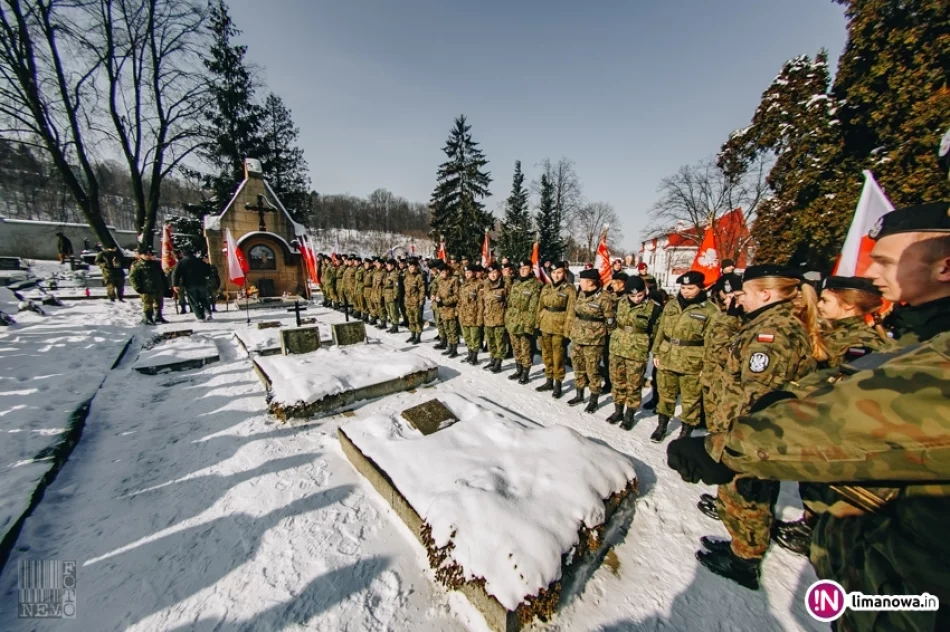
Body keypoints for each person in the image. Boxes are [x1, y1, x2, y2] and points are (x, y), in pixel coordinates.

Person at [667, 201, 950, 631]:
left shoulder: (777, 330)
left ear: (944, 267)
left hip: (910, 589)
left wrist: (724, 446)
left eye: (887, 262)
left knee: (750, 495)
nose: (872, 275)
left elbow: (854, 417)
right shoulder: (915, 335)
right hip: (876, 570)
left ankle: (745, 556)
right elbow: (834, 387)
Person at [773, 275, 888, 557]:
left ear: (848, 306)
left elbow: (844, 392)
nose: (819, 305)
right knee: (812, 483)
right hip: (816, 423)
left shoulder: (861, 343)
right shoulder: (834, 333)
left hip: (836, 430)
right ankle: (811, 521)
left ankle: (821, 532)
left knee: (827, 487)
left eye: (825, 300)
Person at [649, 270, 718, 442]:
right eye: (683, 287)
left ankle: (685, 433)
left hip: (692, 361)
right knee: (665, 394)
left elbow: (712, 342)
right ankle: (662, 426)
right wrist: (656, 351)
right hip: (667, 355)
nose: (686, 291)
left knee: (691, 400)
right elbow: (661, 329)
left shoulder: (710, 311)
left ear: (701, 288)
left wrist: (707, 365)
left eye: (690, 288)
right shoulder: (672, 305)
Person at [607, 276, 661, 428]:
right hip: (617, 347)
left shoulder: (654, 308)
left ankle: (629, 414)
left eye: (640, 295)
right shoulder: (620, 302)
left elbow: (656, 332)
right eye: (633, 296)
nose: (637, 299)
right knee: (617, 381)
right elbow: (612, 320)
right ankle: (618, 411)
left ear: (645, 291)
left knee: (634, 384)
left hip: (637, 351)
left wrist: (653, 349)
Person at [565, 268, 616, 412]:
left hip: (594, 341)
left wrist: (608, 339)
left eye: (581, 281)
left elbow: (610, 321)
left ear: (590, 282)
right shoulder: (581, 293)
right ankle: (579, 394)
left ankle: (594, 399)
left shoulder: (604, 298)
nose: (579, 283)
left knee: (592, 370)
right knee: (578, 366)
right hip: (578, 337)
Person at [700, 275, 745, 435]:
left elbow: (723, 352)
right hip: (712, 379)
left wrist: (731, 319)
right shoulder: (722, 315)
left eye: (734, 298)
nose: (728, 302)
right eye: (725, 298)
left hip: (729, 389)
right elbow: (710, 344)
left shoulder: (744, 321)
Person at [536, 261, 576, 398]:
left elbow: (571, 311)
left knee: (558, 356)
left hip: (559, 327)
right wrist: (537, 324)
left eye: (559, 272)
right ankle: (549, 380)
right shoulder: (546, 288)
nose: (556, 275)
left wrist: (567, 332)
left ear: (564, 273)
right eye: (553, 273)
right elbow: (540, 306)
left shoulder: (569, 289)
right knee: (546, 353)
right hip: (545, 323)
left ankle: (558, 383)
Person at [505, 259, 542, 384]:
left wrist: (529, 326)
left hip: (525, 322)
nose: (523, 271)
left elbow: (533, 308)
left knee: (526, 349)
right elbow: (510, 303)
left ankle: (525, 373)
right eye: (521, 269)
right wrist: (508, 319)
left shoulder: (535, 285)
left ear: (531, 270)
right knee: (516, 348)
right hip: (513, 322)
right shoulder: (516, 283)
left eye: (525, 269)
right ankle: (518, 369)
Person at [128, 246, 168, 325]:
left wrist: (166, 286)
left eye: (150, 254)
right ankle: (148, 318)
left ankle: (158, 316)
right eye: (146, 254)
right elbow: (132, 277)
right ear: (141, 255)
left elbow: (162, 275)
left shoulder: (156, 264)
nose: (148, 256)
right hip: (146, 288)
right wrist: (137, 287)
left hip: (158, 287)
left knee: (159, 303)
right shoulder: (138, 265)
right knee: (148, 304)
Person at [481, 263, 508, 373]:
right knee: (490, 341)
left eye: (495, 272)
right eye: (490, 273)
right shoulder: (486, 285)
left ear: (499, 273)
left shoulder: (504, 285)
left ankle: (498, 362)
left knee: (500, 342)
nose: (493, 275)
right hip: (488, 318)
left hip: (499, 319)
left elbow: (509, 302)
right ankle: (492, 359)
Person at [172, 249, 212, 321]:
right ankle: (207, 312)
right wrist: (208, 265)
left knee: (194, 300)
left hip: (190, 284)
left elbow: (176, 274)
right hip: (202, 283)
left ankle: (200, 316)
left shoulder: (181, 262)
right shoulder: (200, 261)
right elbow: (207, 272)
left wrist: (175, 284)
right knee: (204, 299)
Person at [458, 264, 484, 364]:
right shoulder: (464, 284)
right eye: (466, 272)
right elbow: (460, 300)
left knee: (475, 337)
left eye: (469, 272)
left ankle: (474, 356)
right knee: (467, 337)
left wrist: (479, 318)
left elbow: (481, 304)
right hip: (464, 315)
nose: (467, 274)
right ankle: (469, 354)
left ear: (473, 273)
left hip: (474, 316)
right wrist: (458, 311)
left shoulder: (479, 284)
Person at [434, 263, 461, 357]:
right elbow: (438, 292)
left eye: (443, 271)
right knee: (447, 329)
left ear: (447, 271)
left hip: (452, 309)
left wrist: (445, 302)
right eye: (440, 272)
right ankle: (450, 347)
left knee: (453, 329)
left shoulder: (454, 280)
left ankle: (454, 349)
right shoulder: (440, 281)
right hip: (443, 309)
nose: (442, 273)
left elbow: (457, 296)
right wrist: (437, 298)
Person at [403, 258, 426, 344]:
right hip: (408, 302)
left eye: (412, 267)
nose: (411, 269)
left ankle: (418, 336)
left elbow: (422, 290)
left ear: (416, 267)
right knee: (410, 319)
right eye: (410, 267)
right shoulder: (407, 276)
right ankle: (412, 335)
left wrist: (421, 302)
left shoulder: (419, 277)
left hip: (416, 302)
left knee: (418, 320)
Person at [383, 259, 402, 333]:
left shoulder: (394, 274)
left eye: (388, 265)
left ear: (392, 266)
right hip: (387, 295)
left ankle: (395, 326)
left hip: (392, 295)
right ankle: (393, 324)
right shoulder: (389, 273)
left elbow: (396, 286)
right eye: (387, 265)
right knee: (389, 311)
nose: (387, 266)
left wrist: (395, 296)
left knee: (394, 311)